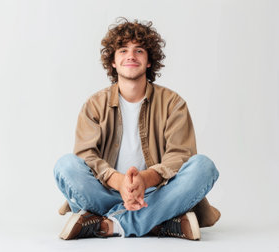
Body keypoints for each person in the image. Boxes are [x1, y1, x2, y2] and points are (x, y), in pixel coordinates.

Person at [53, 18, 220, 240]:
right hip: (105, 193)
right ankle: (158, 223)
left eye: (139, 50)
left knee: (204, 167)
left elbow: (180, 156)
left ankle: (109, 224)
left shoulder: (173, 103)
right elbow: (85, 156)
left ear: (149, 61)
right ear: (113, 61)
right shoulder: (94, 104)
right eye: (123, 50)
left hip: (157, 193)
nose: (130, 56)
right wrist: (119, 182)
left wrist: (145, 179)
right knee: (65, 165)